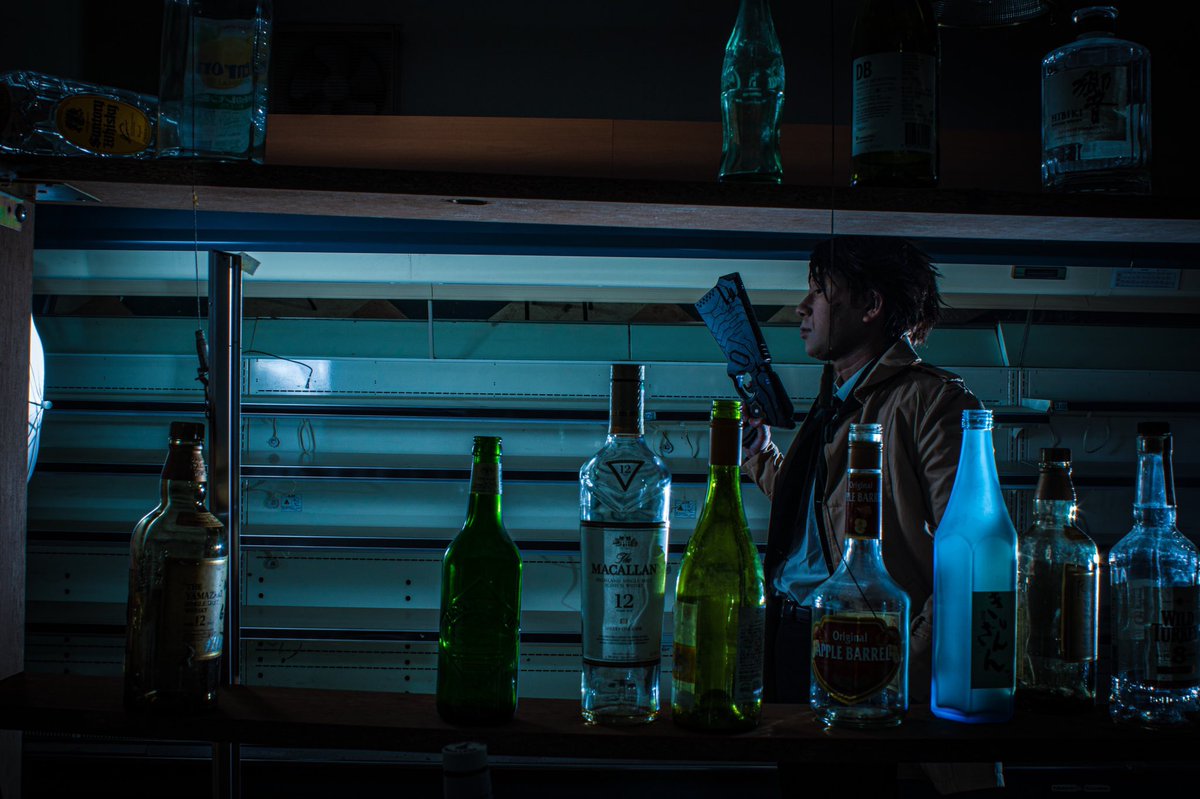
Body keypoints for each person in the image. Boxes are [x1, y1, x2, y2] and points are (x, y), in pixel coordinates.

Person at [742, 236, 1000, 794]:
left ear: (871, 306)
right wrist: (760, 455)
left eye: (819, 292)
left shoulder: (933, 402)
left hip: (868, 650)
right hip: (796, 639)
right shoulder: (837, 399)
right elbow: (822, 508)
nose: (801, 308)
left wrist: (905, 662)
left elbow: (973, 559)